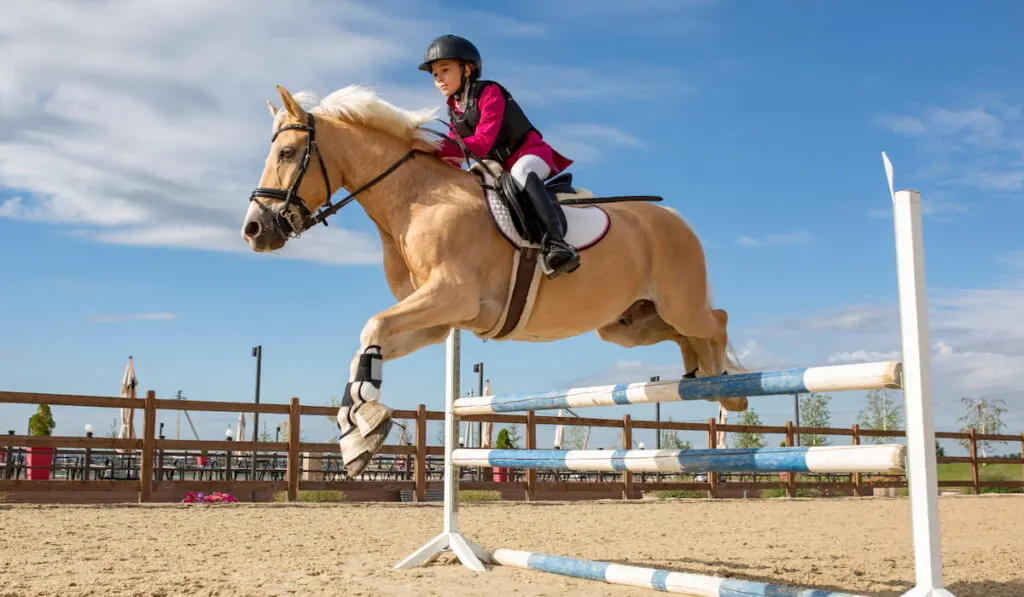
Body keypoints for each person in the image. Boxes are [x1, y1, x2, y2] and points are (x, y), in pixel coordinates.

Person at [412, 34, 580, 278]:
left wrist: (436, 145)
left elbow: (480, 144)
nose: (439, 79)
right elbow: (454, 153)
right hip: (498, 167)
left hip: (530, 154)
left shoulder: (490, 92)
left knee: (522, 173)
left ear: (466, 69)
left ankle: (557, 244)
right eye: (435, 74)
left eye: (445, 70)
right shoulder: (454, 108)